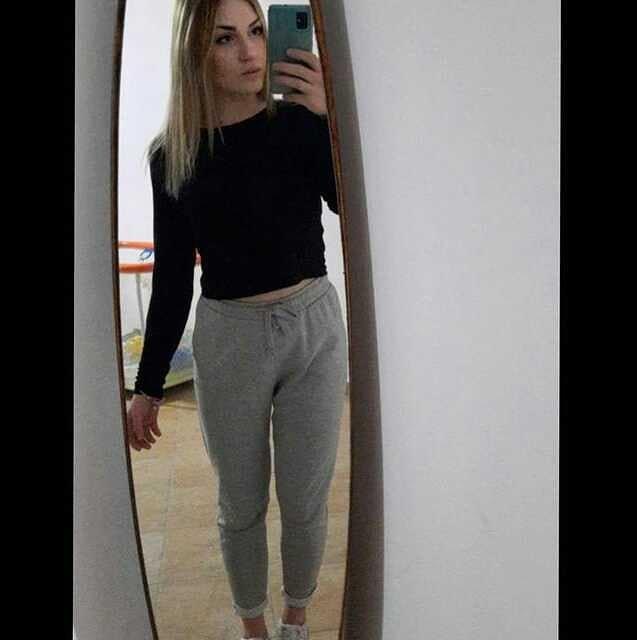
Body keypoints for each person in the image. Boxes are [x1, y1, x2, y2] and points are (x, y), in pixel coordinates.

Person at [125, 1, 347, 639]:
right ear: (194, 52)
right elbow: (172, 278)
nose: (250, 52)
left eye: (255, 31)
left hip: (313, 328)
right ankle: (253, 628)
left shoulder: (298, 123)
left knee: (305, 500)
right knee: (241, 504)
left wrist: (328, 120)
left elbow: (351, 207)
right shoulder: (173, 154)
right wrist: (147, 386)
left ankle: (295, 620)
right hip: (230, 338)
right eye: (225, 39)